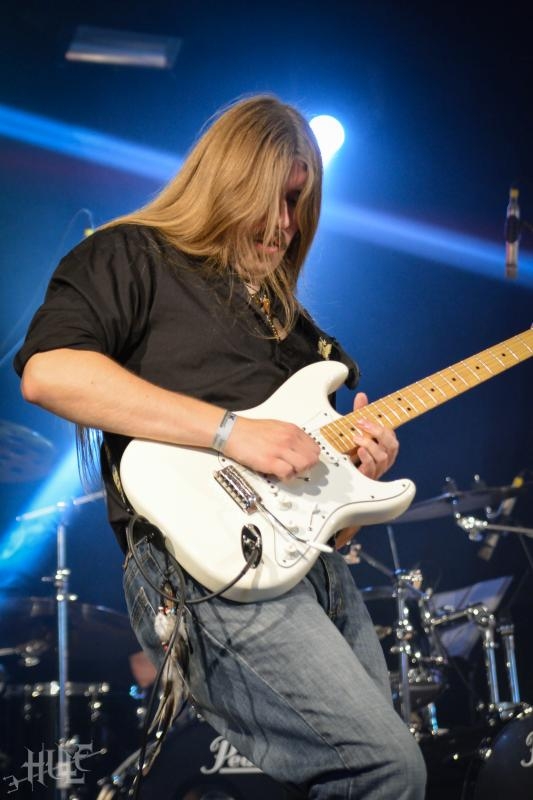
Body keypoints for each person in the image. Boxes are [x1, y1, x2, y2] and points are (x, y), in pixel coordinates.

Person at [14, 94, 426, 798]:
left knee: (368, 776)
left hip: (312, 573)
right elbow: (50, 372)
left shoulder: (304, 337)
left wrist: (357, 476)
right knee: (384, 769)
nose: (288, 224)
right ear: (230, 181)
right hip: (204, 566)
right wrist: (233, 432)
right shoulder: (131, 254)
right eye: (278, 199)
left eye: (300, 204)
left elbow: (332, 528)